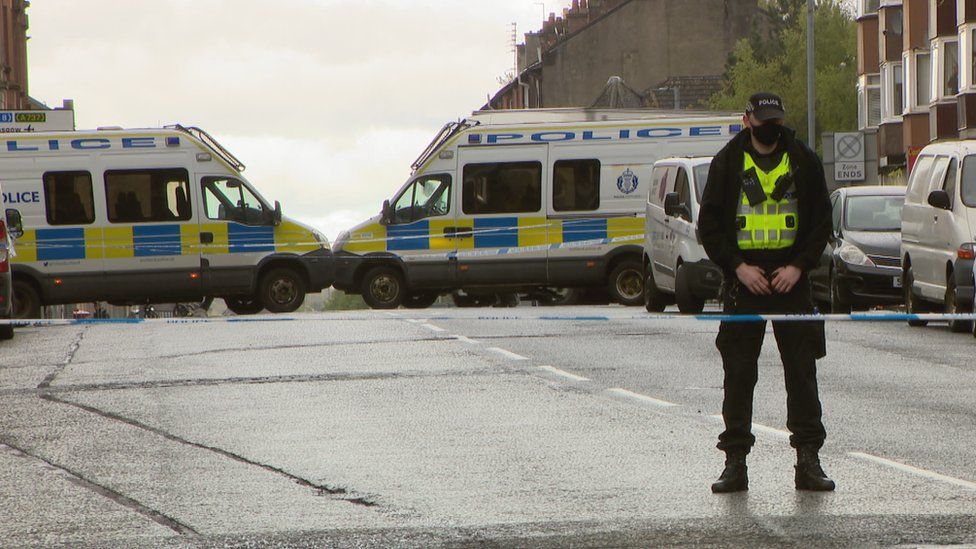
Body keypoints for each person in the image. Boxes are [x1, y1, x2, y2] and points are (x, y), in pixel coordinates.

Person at [697, 92, 835, 493]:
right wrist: (738, 269)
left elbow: (821, 222)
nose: (770, 127)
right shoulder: (727, 162)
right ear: (748, 120)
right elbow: (710, 227)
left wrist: (798, 266)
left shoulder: (803, 159)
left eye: (776, 119)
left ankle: (808, 461)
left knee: (802, 374)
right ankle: (735, 463)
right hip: (745, 284)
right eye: (763, 120)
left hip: (792, 282)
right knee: (738, 375)